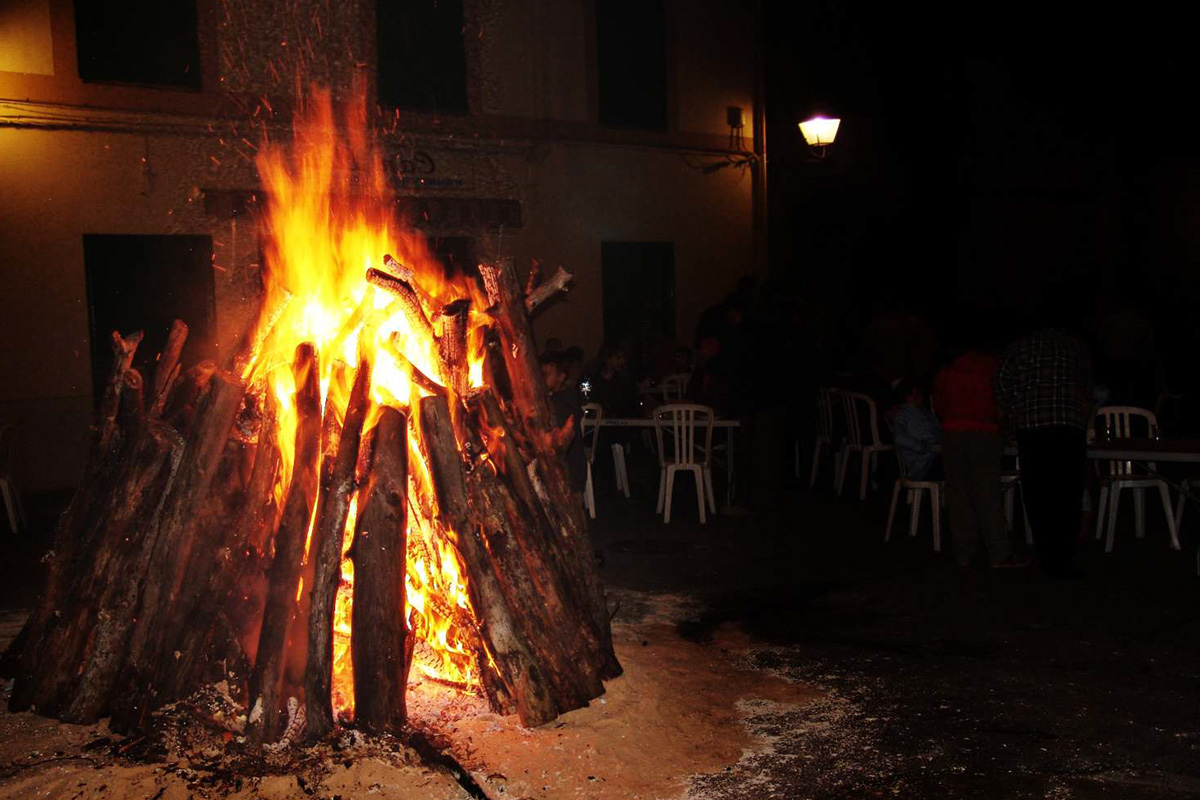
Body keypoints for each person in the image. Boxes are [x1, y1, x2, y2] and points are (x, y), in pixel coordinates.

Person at [994, 326, 1093, 578]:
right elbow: (1087, 384)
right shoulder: (1077, 347)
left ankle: (1048, 556)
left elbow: (1001, 383)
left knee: (1038, 493)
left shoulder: (1020, 347)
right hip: (1069, 424)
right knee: (1068, 492)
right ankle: (1064, 559)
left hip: (1034, 425)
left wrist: (1016, 408)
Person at [934, 341, 1024, 568]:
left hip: (953, 433)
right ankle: (998, 553)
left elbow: (940, 405)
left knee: (958, 493)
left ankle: (963, 551)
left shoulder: (947, 371)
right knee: (988, 493)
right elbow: (1004, 398)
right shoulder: (992, 367)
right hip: (984, 433)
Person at [540, 351, 587, 496]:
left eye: (547, 374)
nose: (542, 378)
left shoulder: (564, 401)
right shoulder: (554, 398)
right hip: (565, 467)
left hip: (570, 468)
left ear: (561, 377)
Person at [892, 379, 942, 480]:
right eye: (911, 394)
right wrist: (921, 447)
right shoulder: (903, 414)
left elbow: (939, 433)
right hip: (922, 466)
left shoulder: (928, 414)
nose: (916, 396)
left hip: (935, 458)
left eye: (918, 393)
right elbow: (899, 437)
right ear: (904, 396)